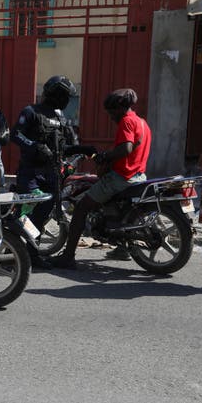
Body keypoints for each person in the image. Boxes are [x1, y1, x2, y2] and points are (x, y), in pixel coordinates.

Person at [48, 88, 151, 269]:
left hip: (122, 177)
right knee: (117, 211)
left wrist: (105, 157)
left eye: (111, 112)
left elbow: (125, 149)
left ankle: (68, 256)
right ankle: (123, 248)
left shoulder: (126, 122)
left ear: (119, 108)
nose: (111, 117)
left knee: (81, 208)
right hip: (138, 175)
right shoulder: (142, 122)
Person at [10, 75, 91, 269]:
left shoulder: (60, 118)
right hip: (31, 173)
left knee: (40, 217)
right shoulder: (31, 112)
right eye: (64, 96)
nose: (66, 101)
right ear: (53, 94)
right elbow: (16, 135)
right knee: (27, 211)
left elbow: (63, 148)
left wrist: (82, 149)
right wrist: (35, 146)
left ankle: (31, 253)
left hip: (52, 174)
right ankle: (11, 248)